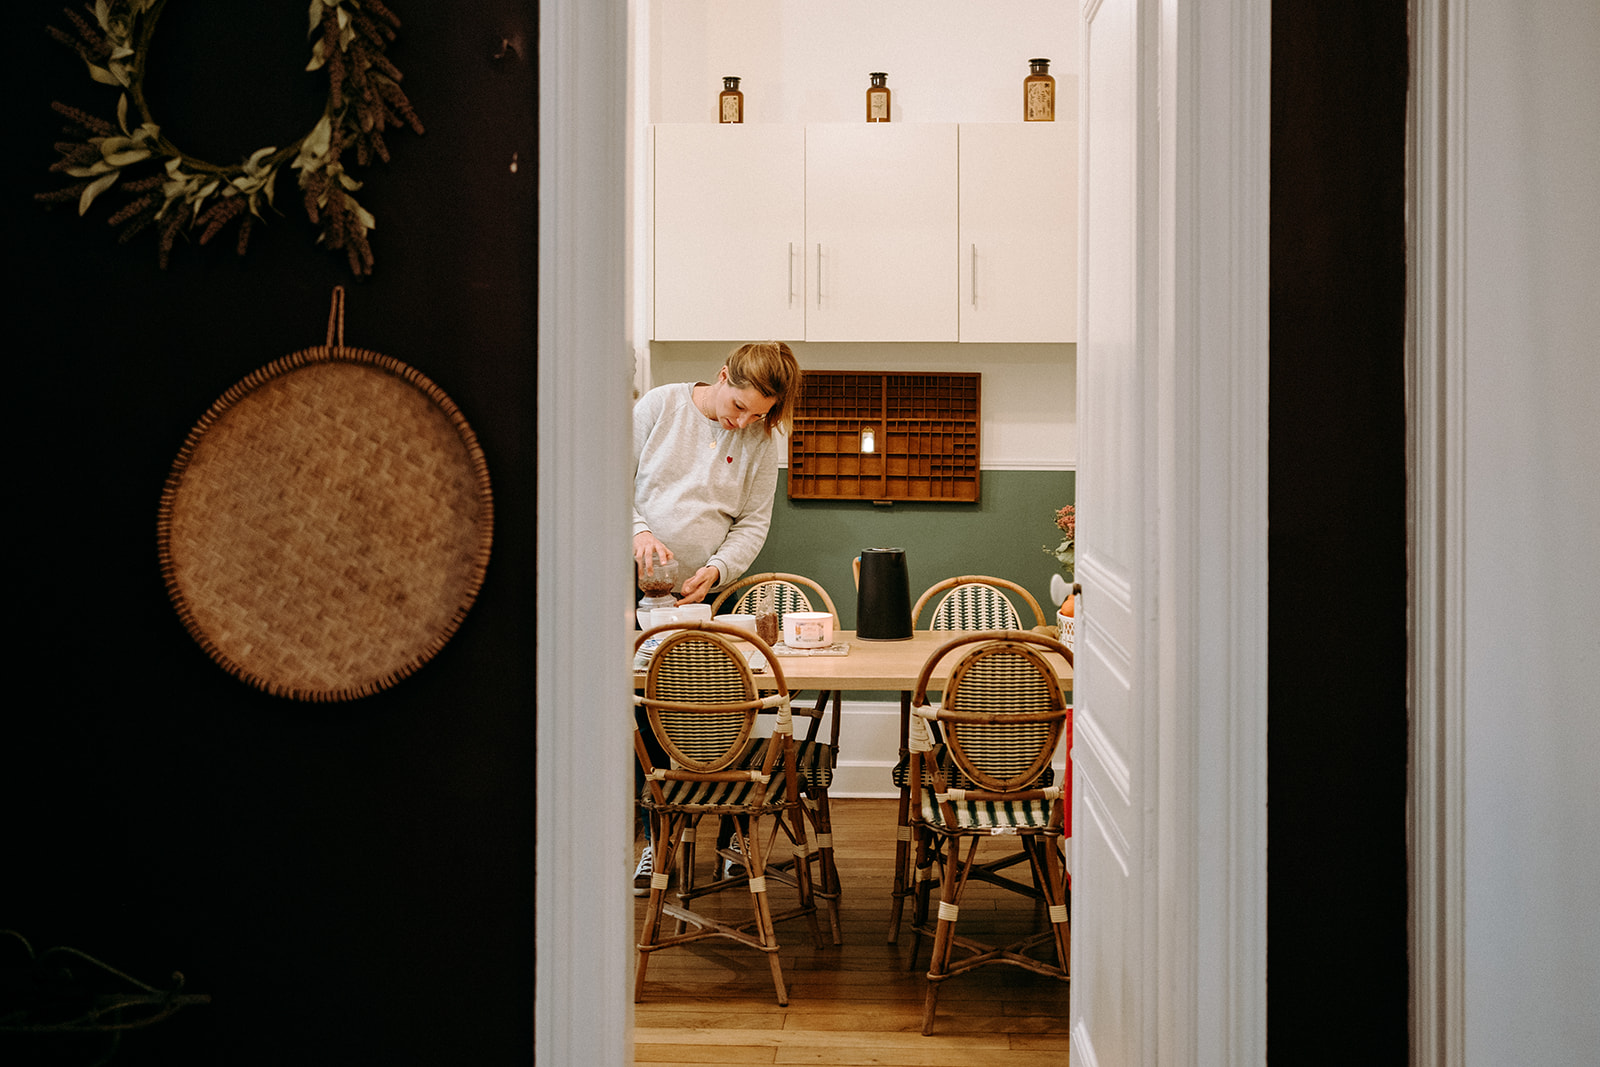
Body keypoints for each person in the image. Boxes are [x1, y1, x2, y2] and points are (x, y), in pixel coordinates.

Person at [630, 341, 802, 894]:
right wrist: (638, 533)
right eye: (739, 407)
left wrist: (718, 569)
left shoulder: (761, 438)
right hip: (634, 586)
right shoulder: (658, 407)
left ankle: (731, 837)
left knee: (732, 706)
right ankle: (659, 840)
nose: (745, 421)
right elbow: (611, 482)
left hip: (703, 596)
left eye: (759, 413)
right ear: (722, 375)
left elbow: (752, 523)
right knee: (652, 708)